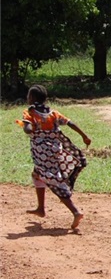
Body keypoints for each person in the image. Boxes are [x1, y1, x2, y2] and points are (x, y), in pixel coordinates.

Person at [18, 84, 91, 230]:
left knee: (52, 180)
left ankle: (75, 211)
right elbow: (70, 123)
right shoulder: (53, 113)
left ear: (31, 98)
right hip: (54, 150)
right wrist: (85, 136)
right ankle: (41, 208)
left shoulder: (30, 113)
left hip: (41, 153)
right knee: (37, 175)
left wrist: (28, 125)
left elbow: (28, 130)